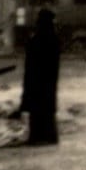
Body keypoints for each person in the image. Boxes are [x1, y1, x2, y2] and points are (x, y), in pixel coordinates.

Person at [20, 8, 61, 146]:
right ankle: (50, 136)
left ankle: (36, 136)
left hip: (35, 80)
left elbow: (29, 64)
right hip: (49, 80)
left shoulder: (34, 40)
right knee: (48, 108)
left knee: (36, 108)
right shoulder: (54, 40)